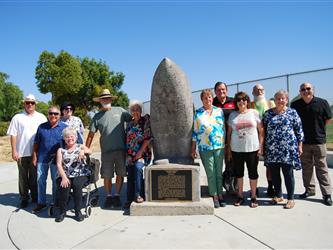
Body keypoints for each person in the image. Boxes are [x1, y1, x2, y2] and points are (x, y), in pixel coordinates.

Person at [86, 89, 132, 208]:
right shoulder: (97, 116)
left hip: (121, 150)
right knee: (107, 175)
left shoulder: (120, 111)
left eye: (107, 98)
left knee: (120, 174)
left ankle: (116, 196)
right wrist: (86, 149)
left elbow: (133, 121)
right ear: (100, 101)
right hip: (106, 152)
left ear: (111, 99)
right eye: (103, 98)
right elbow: (91, 135)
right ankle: (108, 196)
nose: (105, 100)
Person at [291, 82, 333, 206]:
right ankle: (309, 190)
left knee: (322, 168)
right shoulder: (295, 105)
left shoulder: (322, 103)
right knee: (306, 168)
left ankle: (327, 194)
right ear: (300, 92)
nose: (306, 91)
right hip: (303, 142)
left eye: (308, 88)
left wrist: (320, 129)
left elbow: (328, 118)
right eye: (303, 89)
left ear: (313, 90)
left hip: (319, 141)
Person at [262, 90, 304, 209]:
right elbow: (263, 131)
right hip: (272, 149)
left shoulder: (292, 113)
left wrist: (300, 145)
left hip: (288, 149)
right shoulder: (268, 114)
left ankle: (290, 198)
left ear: (286, 100)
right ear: (274, 100)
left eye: (283, 98)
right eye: (278, 99)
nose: (280, 101)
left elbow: (299, 130)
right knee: (274, 174)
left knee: (288, 174)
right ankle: (279, 195)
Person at [6, 94, 47, 208]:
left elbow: (44, 134)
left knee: (35, 177)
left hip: (36, 153)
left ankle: (35, 196)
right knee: (23, 178)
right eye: (27, 102)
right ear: (24, 103)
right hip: (21, 153)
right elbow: (13, 135)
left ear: (35, 104)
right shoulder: (17, 118)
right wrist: (14, 151)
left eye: (32, 103)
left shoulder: (41, 117)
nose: (30, 104)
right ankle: (24, 198)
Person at [227, 91, 263, 208]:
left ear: (247, 101)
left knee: (253, 173)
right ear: (236, 103)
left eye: (244, 100)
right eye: (239, 100)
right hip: (237, 149)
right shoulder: (233, 115)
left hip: (252, 149)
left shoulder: (254, 113)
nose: (241, 102)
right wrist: (229, 149)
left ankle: (253, 197)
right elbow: (229, 133)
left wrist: (261, 146)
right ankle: (240, 196)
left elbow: (261, 131)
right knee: (239, 174)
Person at [192, 89, 226, 208]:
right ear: (202, 100)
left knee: (218, 172)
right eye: (205, 98)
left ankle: (221, 194)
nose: (208, 100)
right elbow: (195, 132)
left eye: (210, 97)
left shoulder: (219, 111)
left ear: (212, 98)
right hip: (204, 147)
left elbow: (224, 129)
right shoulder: (198, 113)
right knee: (211, 172)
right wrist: (193, 149)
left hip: (219, 146)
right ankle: (215, 195)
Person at [32, 106, 67, 213]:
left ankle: (55, 202)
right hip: (42, 158)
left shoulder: (64, 128)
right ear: (48, 114)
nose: (53, 116)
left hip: (57, 160)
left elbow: (70, 142)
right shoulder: (41, 127)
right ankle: (41, 203)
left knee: (55, 181)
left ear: (59, 115)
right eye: (51, 113)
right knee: (40, 181)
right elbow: (36, 143)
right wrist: (34, 156)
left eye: (56, 114)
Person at [55, 127, 91, 222]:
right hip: (65, 174)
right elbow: (59, 165)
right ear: (64, 138)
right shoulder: (60, 150)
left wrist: (82, 151)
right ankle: (62, 211)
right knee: (64, 186)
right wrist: (63, 177)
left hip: (80, 173)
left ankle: (77, 211)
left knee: (77, 185)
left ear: (75, 137)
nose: (70, 138)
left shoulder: (80, 146)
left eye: (72, 136)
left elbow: (90, 151)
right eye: (67, 137)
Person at [124, 100, 152, 209]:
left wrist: (140, 153)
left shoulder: (145, 121)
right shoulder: (129, 124)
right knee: (130, 175)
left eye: (137, 110)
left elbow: (147, 138)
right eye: (133, 110)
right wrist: (128, 155)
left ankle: (139, 194)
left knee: (138, 168)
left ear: (141, 111)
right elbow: (126, 139)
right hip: (130, 155)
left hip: (142, 154)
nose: (135, 112)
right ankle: (129, 198)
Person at [251, 83, 275, 197]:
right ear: (253, 93)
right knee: (253, 165)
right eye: (256, 90)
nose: (259, 92)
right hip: (253, 139)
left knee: (269, 165)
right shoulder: (250, 105)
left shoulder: (271, 103)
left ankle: (270, 186)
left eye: (261, 90)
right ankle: (254, 188)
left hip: (269, 139)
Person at [212, 82, 237, 194]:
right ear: (215, 91)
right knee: (217, 163)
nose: (221, 91)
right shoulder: (212, 102)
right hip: (217, 139)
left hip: (232, 138)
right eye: (218, 90)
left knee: (231, 163)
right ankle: (218, 186)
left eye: (223, 89)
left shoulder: (233, 102)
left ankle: (231, 186)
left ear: (226, 90)